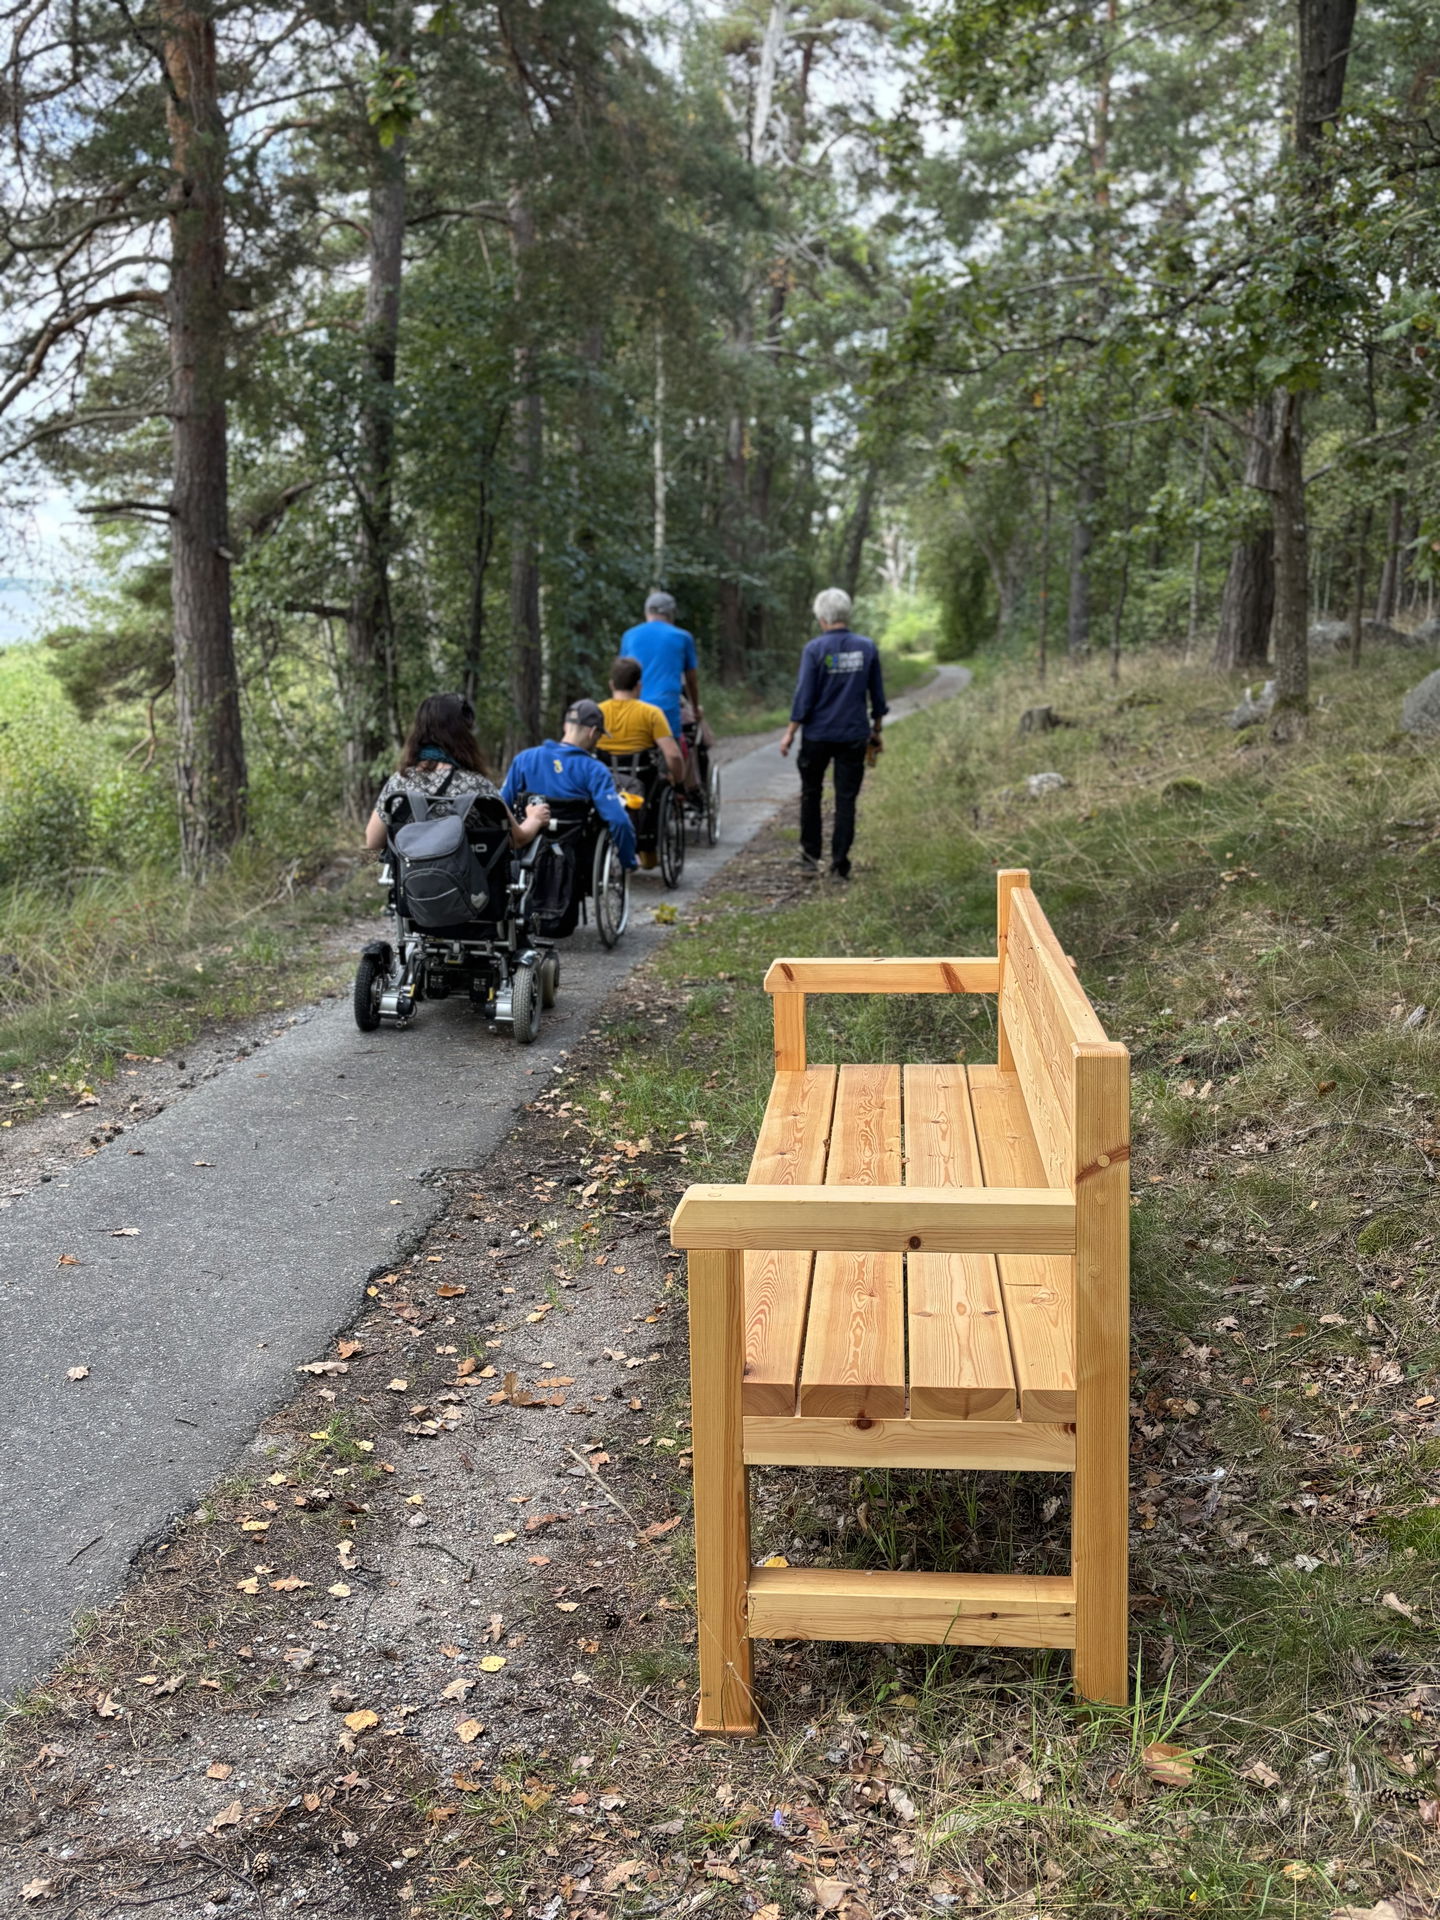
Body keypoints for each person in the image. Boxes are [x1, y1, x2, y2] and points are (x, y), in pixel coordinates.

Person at [779, 588, 888, 881]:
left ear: (822, 618)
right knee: (846, 799)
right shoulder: (867, 648)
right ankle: (840, 865)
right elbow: (877, 697)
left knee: (811, 794)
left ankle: (809, 858)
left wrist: (790, 733)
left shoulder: (814, 650)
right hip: (853, 734)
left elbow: (804, 697)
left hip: (817, 735)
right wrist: (876, 731)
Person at [364, 692, 550, 853]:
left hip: (412, 891)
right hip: (470, 892)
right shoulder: (477, 785)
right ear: (464, 735)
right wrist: (534, 818)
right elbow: (516, 839)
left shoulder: (400, 782)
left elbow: (372, 843)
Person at [499, 698, 639, 870]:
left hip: (527, 853)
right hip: (575, 859)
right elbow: (619, 821)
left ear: (566, 725)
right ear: (593, 732)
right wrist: (628, 861)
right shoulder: (595, 770)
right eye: (599, 735)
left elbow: (500, 806)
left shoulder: (525, 759)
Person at [620, 591, 702, 788]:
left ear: (647, 612)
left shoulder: (629, 635)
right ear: (671, 614)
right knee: (686, 743)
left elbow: (622, 675)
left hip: (633, 708)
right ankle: (685, 790)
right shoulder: (682, 637)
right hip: (666, 707)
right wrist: (695, 708)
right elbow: (691, 680)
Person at [598, 656, 684, 784]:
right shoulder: (652, 713)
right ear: (638, 686)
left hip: (604, 782)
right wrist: (678, 783)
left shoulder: (597, 712)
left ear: (611, 684)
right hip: (643, 783)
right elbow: (673, 755)